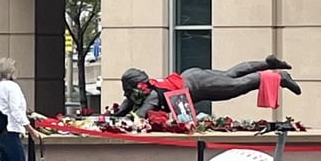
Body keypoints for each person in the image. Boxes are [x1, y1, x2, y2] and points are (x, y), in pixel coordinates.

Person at [115, 55, 300, 119]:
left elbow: (138, 117)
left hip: (199, 85)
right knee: (230, 74)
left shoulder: (151, 96)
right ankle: (266, 63)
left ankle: (279, 77)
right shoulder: (139, 93)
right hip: (190, 75)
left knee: (236, 86)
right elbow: (121, 111)